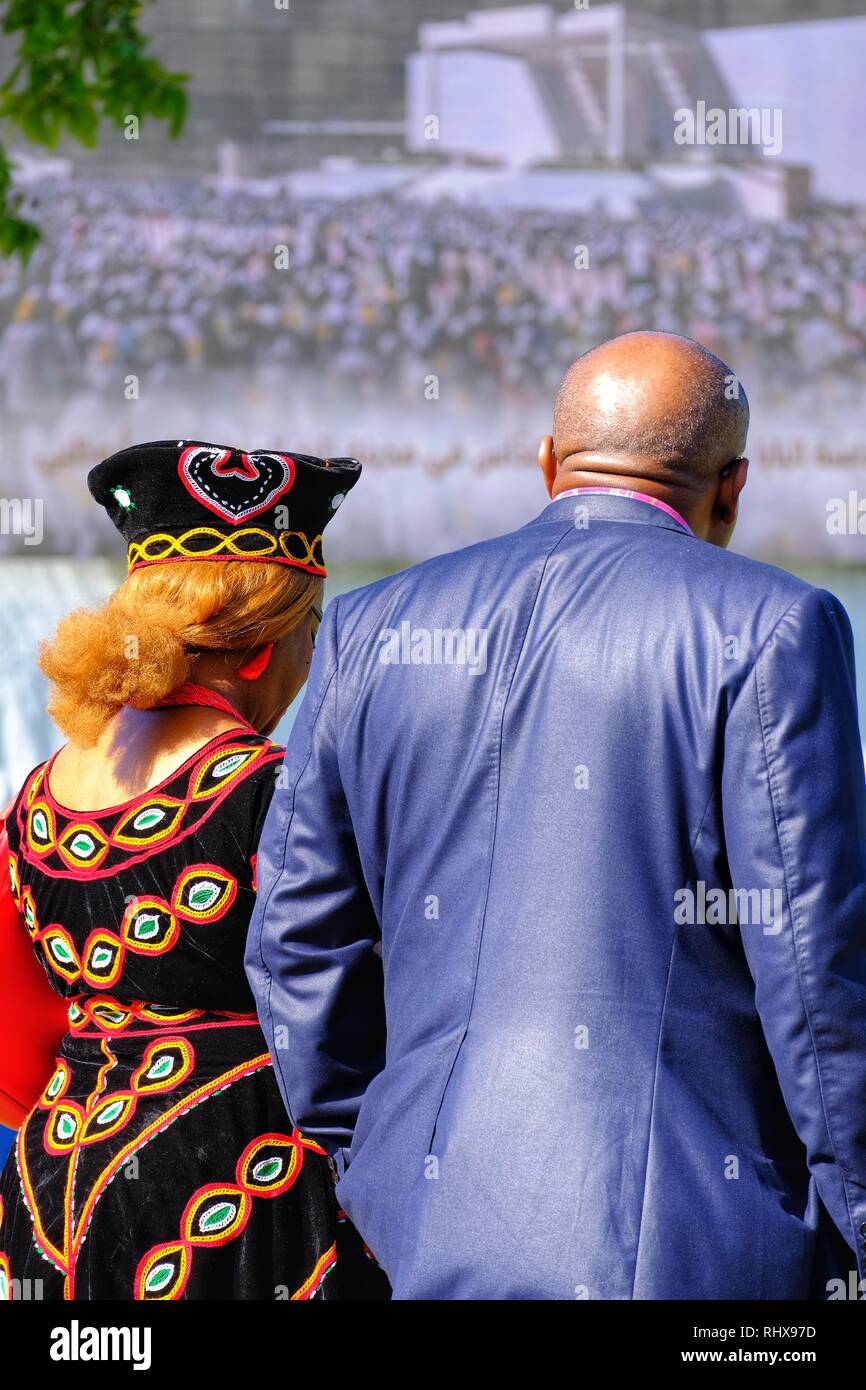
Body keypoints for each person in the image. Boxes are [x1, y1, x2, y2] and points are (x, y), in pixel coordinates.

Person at [247, 331, 866, 1300]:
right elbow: (810, 964)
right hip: (701, 1244)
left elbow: (294, 939)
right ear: (732, 485)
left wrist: (374, 1154)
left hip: (425, 1224)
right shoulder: (776, 624)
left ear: (548, 462)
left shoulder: (372, 622)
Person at [0, 439, 389, 1300]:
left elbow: (15, 1040)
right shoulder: (281, 794)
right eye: (311, 629)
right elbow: (363, 1018)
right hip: (239, 1194)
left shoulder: (34, 799)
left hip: (54, 1187)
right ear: (258, 649)